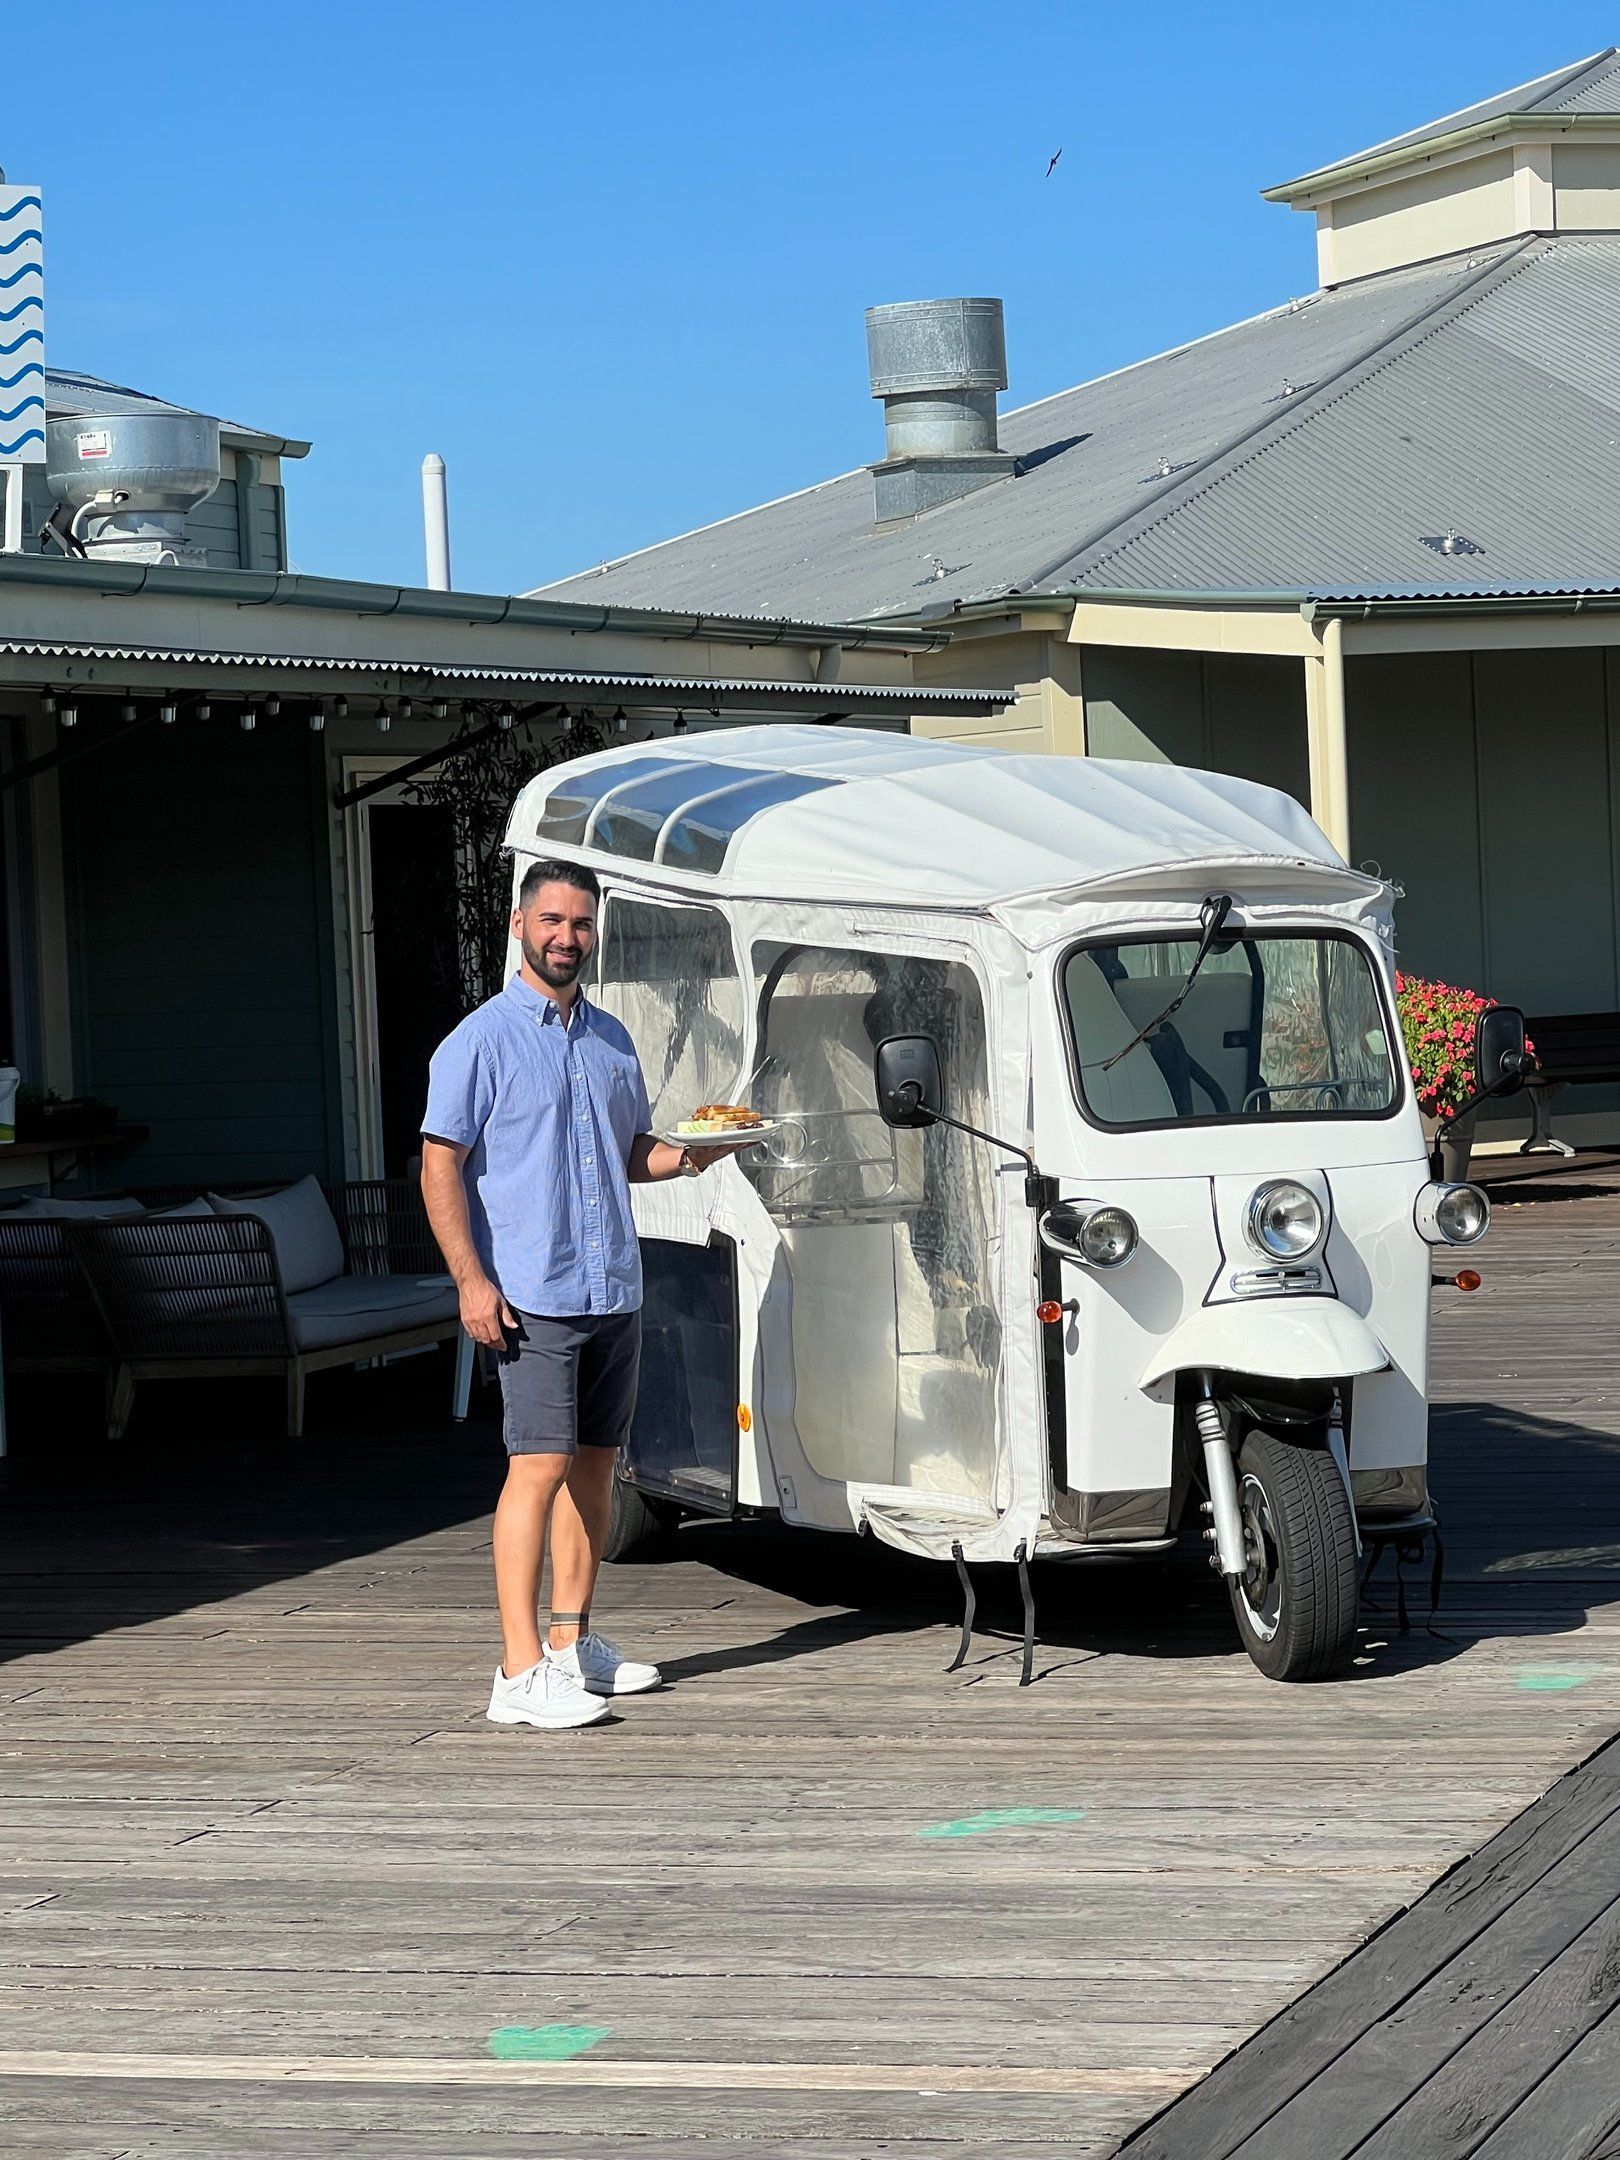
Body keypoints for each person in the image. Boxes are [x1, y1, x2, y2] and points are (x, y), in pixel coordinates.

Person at [421, 859, 734, 1731]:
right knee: (539, 1467)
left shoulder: (610, 1040)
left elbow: (632, 1153)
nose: (567, 937)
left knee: (597, 1467)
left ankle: (570, 1645)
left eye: (582, 924)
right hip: (530, 1292)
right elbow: (438, 1163)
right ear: (520, 926)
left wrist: (702, 1150)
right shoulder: (478, 1042)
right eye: (552, 920)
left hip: (611, 1287)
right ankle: (517, 1673)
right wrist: (470, 1282)